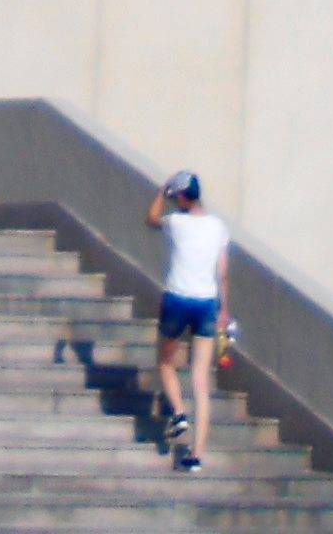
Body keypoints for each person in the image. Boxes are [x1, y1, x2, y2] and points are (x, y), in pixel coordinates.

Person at [148, 169, 229, 470]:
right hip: (207, 302)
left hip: (177, 298)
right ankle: (196, 455)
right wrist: (224, 310)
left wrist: (160, 191)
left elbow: (151, 219)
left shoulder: (176, 222)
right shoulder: (219, 227)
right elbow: (222, 273)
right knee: (200, 379)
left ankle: (179, 412)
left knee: (166, 362)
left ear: (180, 196)